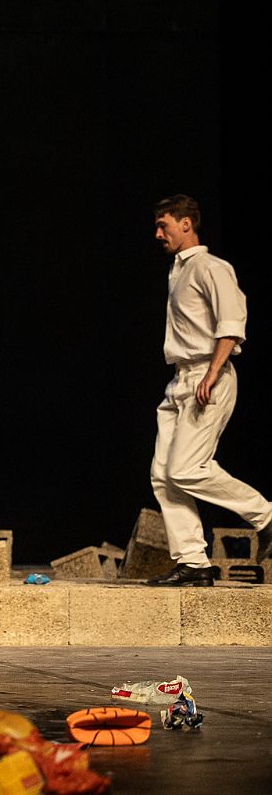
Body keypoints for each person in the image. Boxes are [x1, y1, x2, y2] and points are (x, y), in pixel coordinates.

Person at [146, 195, 272, 585]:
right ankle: (193, 562)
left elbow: (231, 322)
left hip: (208, 374)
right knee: (163, 475)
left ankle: (265, 514)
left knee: (186, 468)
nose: (158, 234)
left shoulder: (211, 267)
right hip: (181, 379)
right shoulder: (179, 270)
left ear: (186, 224)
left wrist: (213, 372)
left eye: (164, 225)